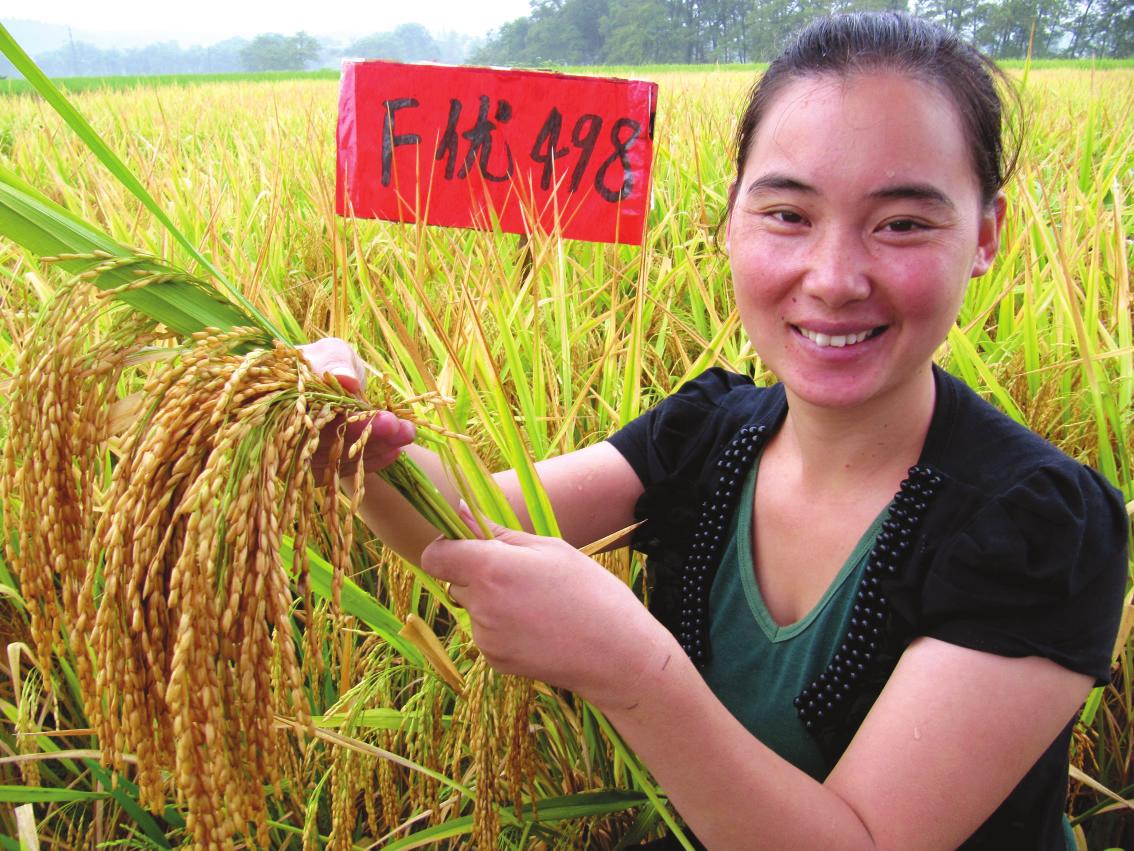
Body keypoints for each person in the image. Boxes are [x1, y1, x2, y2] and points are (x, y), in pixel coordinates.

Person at [302, 12, 1128, 849]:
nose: (834, 279)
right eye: (788, 215)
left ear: (985, 236)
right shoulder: (707, 434)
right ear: (729, 220)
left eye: (903, 224)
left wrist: (632, 671)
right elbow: (475, 526)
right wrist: (356, 440)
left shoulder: (1042, 528)